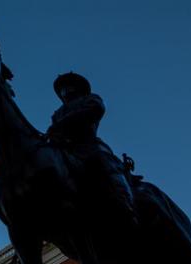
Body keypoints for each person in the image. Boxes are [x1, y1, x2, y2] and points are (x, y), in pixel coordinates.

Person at [47, 72, 137, 226]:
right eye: (62, 89)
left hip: (90, 145)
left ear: (77, 88)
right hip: (66, 150)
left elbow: (95, 110)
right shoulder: (57, 113)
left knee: (102, 161)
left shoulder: (90, 99)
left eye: (68, 86)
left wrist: (61, 125)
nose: (65, 91)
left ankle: (125, 203)